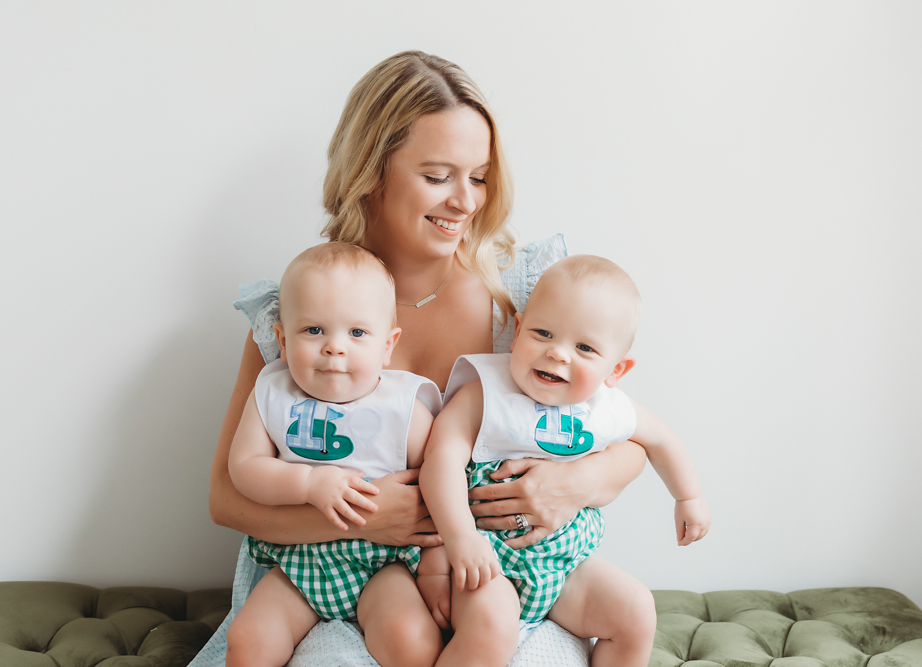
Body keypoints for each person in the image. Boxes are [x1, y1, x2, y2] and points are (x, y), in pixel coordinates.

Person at [193, 51, 650, 667]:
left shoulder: (519, 298)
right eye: (439, 176)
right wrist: (361, 521)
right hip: (322, 580)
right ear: (371, 173)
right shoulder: (303, 310)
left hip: (495, 580)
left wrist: (578, 483)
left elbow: (629, 435)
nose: (465, 201)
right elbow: (227, 497)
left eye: (480, 177)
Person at [418, 255, 711, 666]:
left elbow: (661, 439)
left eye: (585, 348)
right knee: (492, 624)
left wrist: (689, 497)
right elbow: (441, 461)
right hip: (487, 561)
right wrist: (461, 538)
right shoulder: (487, 392)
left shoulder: (606, 407)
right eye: (543, 333)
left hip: (564, 565)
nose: (558, 354)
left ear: (616, 370)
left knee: (636, 609)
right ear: (517, 331)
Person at [225, 242, 443, 667]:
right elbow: (244, 468)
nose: (334, 347)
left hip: (385, 562)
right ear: (283, 341)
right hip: (299, 560)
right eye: (314, 331)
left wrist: (439, 560)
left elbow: (442, 478)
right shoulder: (273, 391)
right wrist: (308, 482)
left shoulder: (402, 406)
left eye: (357, 333)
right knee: (247, 639)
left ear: (388, 345)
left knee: (410, 639)